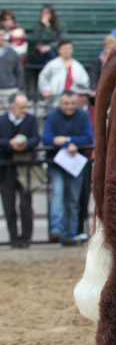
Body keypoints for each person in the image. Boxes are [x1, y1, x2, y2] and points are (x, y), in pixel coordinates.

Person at [42, 90, 93, 244]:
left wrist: (67, 140)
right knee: (58, 194)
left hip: (75, 163)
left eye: (72, 103)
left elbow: (89, 137)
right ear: (60, 103)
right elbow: (46, 138)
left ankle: (73, 233)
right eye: (66, 103)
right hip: (57, 162)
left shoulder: (82, 116)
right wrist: (66, 143)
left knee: (74, 198)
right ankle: (57, 230)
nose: (70, 107)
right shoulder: (52, 116)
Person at [0, 93, 40, 248]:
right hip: (6, 169)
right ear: (12, 107)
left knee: (25, 205)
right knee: (9, 206)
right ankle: (14, 239)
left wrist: (25, 145)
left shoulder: (30, 119)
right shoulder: (2, 120)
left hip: (25, 167)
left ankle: (26, 239)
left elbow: (36, 138)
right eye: (21, 107)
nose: (24, 110)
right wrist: (9, 144)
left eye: (25, 107)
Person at [38, 39, 90, 107]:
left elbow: (85, 82)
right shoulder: (52, 65)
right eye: (64, 49)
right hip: (55, 100)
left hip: (74, 101)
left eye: (69, 48)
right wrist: (46, 90)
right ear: (58, 50)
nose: (67, 51)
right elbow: (43, 78)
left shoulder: (78, 66)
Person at [0, 26, 24, 109]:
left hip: (10, 90)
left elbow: (19, 72)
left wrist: (17, 89)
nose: (0, 38)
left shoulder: (13, 53)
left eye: (2, 35)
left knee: (8, 118)